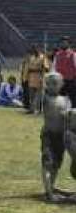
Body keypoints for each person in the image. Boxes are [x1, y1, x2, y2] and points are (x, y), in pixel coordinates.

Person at [41, 73, 72, 202]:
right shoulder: (45, 98)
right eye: (49, 83)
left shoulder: (66, 100)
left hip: (61, 136)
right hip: (48, 135)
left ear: (61, 84)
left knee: (57, 164)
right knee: (48, 163)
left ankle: (51, 187)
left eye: (55, 83)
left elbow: (70, 116)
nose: (52, 86)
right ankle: (48, 193)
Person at [22, 45, 50, 114]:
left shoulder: (43, 57)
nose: (35, 50)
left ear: (39, 49)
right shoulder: (32, 58)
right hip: (31, 78)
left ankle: (38, 110)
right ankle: (31, 109)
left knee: (38, 96)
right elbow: (27, 68)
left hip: (39, 78)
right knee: (31, 95)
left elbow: (47, 68)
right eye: (33, 49)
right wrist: (25, 78)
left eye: (36, 48)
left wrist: (42, 68)